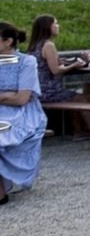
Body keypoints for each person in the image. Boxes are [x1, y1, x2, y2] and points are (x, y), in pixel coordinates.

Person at [27, 15, 90, 142]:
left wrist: (59, 61)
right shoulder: (48, 45)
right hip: (49, 91)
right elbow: (55, 70)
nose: (57, 26)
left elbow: (43, 65)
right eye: (55, 24)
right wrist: (73, 65)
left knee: (72, 97)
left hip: (37, 90)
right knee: (81, 99)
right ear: (47, 27)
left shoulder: (34, 46)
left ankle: (78, 132)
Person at [0, 22, 48, 206]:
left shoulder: (26, 62)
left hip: (22, 113)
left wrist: (9, 96)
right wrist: (6, 95)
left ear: (8, 41)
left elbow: (22, 99)